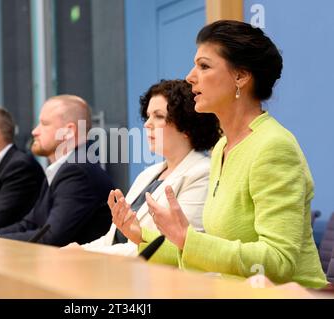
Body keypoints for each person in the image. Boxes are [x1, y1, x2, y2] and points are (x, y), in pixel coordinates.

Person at [117, 20, 327, 289]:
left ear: (240, 77)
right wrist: (141, 235)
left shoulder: (273, 146)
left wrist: (187, 239)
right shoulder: (221, 148)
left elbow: (278, 262)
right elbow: (211, 253)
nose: (190, 77)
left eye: (204, 66)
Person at [65, 79, 221, 258]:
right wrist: (78, 248)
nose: (147, 124)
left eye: (159, 116)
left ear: (187, 125)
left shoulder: (202, 174)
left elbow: (169, 248)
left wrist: (85, 253)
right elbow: (113, 239)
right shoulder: (148, 174)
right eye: (148, 116)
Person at [0, 95, 114, 247]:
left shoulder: (78, 171)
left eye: (44, 124)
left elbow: (51, 237)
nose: (34, 131)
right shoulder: (64, 169)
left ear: (68, 132)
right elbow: (30, 223)